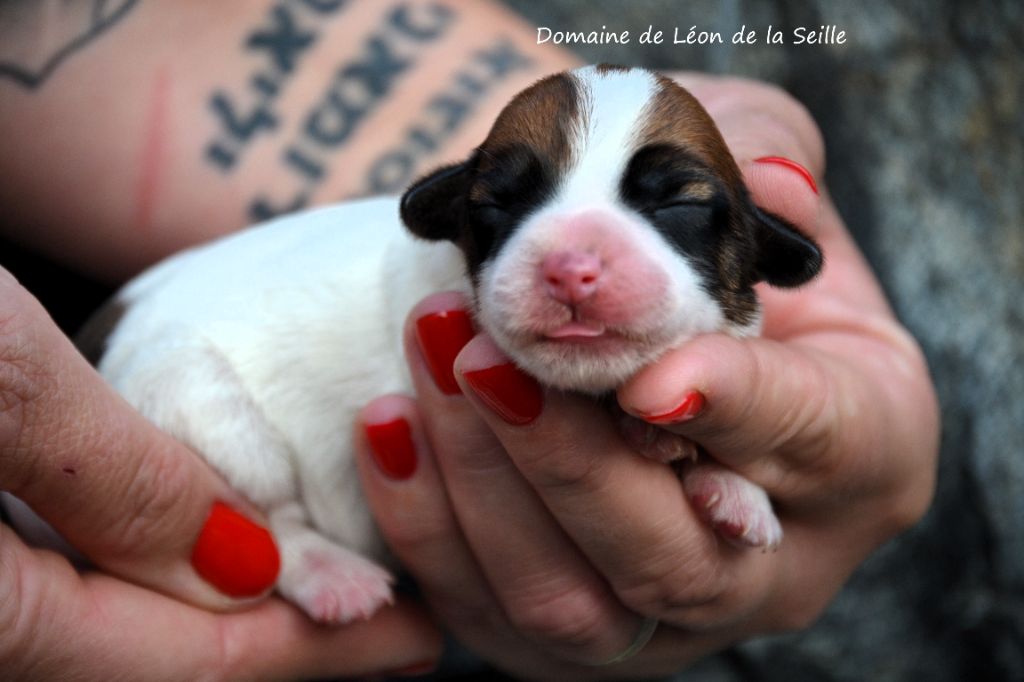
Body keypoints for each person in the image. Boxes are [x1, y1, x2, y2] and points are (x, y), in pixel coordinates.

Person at [0, 1, 939, 679]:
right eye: (510, 206)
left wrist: (717, 458)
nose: (574, 263)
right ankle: (278, 544)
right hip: (147, 420)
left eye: (675, 208)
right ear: (458, 226)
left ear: (755, 249)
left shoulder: (711, 326)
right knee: (217, 407)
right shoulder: (442, 294)